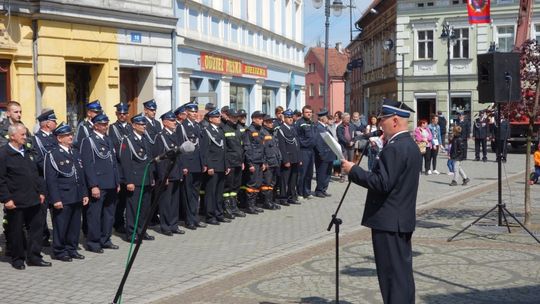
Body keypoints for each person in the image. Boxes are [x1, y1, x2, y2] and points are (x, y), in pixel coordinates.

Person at [341, 99, 421, 304]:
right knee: (401, 276)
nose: (380, 124)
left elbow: (382, 183)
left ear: (395, 120)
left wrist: (354, 171)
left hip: (389, 221)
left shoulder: (395, 148)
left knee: (391, 277)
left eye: (383, 119)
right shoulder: (409, 144)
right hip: (400, 218)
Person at [0, 123, 50, 269]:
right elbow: (1, 180)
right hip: (15, 201)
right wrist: (6, 199)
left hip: (33, 199)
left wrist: (41, 192)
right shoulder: (3, 154)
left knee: (36, 230)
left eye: (25, 134)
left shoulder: (28, 151)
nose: (25, 137)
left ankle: (34, 256)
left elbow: (36, 174)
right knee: (16, 232)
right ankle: (18, 258)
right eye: (22, 134)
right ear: (13, 136)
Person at [44, 123, 88, 262]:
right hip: (63, 196)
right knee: (61, 225)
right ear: (59, 138)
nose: (70, 137)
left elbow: (81, 175)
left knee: (75, 225)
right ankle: (59, 250)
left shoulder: (75, 152)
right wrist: (55, 199)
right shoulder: (53, 154)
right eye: (67, 135)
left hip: (76, 194)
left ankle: (72, 249)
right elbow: (51, 180)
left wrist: (85, 193)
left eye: (71, 134)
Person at [80, 114, 120, 253]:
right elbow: (88, 165)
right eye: (102, 124)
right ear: (95, 125)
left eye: (106, 124)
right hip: (99, 184)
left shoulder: (107, 139)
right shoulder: (89, 141)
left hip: (111, 183)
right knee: (95, 215)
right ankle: (93, 242)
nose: (105, 126)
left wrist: (117, 181)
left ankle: (105, 239)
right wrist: (93, 185)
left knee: (109, 214)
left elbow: (113, 163)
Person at [119, 114, 155, 242]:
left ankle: (142, 231)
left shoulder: (145, 138)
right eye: (141, 124)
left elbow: (149, 160)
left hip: (146, 179)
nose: (144, 126)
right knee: (133, 208)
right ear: (134, 125)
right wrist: (129, 181)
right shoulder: (127, 140)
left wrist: (151, 177)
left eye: (144, 124)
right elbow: (126, 163)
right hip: (135, 180)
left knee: (145, 208)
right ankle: (132, 233)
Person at [155, 111, 185, 235]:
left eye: (174, 121)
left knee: (174, 201)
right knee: (165, 202)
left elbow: (179, 155)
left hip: (176, 172)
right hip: (167, 173)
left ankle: (174, 224)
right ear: (165, 122)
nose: (175, 123)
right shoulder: (160, 136)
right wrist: (163, 176)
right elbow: (159, 159)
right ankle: (165, 226)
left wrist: (181, 170)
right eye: (172, 121)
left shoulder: (176, 135)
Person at [179, 103, 207, 230]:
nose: (194, 114)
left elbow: (201, 147)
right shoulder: (182, 127)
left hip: (198, 164)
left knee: (195, 194)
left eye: (196, 112)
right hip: (189, 165)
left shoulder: (197, 126)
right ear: (187, 112)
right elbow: (181, 148)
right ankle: (189, 220)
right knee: (188, 193)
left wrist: (203, 163)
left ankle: (195, 218)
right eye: (192, 112)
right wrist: (183, 165)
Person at [33, 110, 58, 247]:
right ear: (48, 123)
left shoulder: (55, 137)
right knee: (42, 212)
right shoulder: (36, 138)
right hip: (43, 179)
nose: (56, 123)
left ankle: (58, 236)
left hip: (55, 180)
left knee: (57, 209)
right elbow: (38, 159)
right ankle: (43, 237)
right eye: (54, 121)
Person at [201, 109, 231, 224]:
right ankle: (210, 215)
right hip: (213, 166)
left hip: (221, 166)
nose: (219, 118)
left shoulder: (220, 130)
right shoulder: (206, 131)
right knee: (211, 193)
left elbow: (224, 150)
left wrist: (226, 164)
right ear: (210, 119)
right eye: (216, 117)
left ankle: (219, 213)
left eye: (219, 116)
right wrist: (209, 166)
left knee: (219, 192)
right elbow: (206, 150)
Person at [220, 108, 246, 218]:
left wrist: (243, 161)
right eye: (233, 117)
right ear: (228, 117)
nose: (235, 119)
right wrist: (226, 165)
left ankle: (234, 207)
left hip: (238, 162)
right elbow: (224, 149)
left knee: (236, 186)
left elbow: (242, 147)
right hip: (230, 163)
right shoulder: (224, 129)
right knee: (227, 187)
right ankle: (227, 208)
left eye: (236, 117)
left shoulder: (239, 129)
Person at [109, 103, 131, 234]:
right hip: (120, 166)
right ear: (116, 114)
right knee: (120, 199)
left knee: (130, 198)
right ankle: (118, 223)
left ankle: (129, 221)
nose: (122, 116)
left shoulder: (130, 127)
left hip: (130, 167)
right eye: (120, 114)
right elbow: (115, 147)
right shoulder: (113, 128)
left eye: (124, 114)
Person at [242, 111, 267, 214]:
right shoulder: (249, 131)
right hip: (253, 162)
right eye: (259, 118)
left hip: (260, 161)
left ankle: (254, 204)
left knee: (258, 184)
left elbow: (263, 147)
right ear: (253, 119)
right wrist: (250, 164)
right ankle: (250, 206)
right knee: (252, 184)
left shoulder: (261, 130)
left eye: (262, 118)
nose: (262, 120)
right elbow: (247, 148)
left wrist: (264, 162)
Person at [276, 109, 301, 205]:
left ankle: (292, 196)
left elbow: (297, 145)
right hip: (288, 159)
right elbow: (282, 147)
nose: (290, 119)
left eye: (291, 117)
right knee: (284, 180)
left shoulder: (293, 128)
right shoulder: (281, 129)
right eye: (288, 117)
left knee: (293, 179)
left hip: (295, 158)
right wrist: (286, 160)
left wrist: (299, 159)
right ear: (284, 118)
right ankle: (283, 198)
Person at [295, 105, 316, 199]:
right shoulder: (299, 123)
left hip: (311, 151)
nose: (309, 114)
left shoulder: (312, 123)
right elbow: (298, 138)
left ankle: (307, 192)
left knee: (309, 173)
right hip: (303, 150)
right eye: (307, 112)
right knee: (302, 173)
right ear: (303, 113)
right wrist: (305, 144)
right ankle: (299, 193)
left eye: (310, 112)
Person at [261, 115, 281, 209]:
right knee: (266, 184)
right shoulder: (262, 132)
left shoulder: (272, 132)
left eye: (272, 122)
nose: (271, 123)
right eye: (269, 122)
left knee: (272, 183)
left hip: (274, 161)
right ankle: (266, 202)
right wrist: (264, 162)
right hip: (268, 163)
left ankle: (271, 201)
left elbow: (275, 148)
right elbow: (261, 149)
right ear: (264, 122)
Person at [313, 109, 336, 198]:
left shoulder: (324, 127)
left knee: (327, 173)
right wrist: (321, 154)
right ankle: (319, 190)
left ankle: (323, 189)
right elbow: (318, 142)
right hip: (323, 155)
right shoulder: (318, 127)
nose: (328, 118)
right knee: (322, 173)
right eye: (326, 117)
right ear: (322, 118)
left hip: (329, 154)